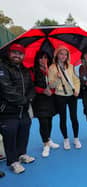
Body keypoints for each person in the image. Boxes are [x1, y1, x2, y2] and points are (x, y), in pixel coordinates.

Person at [0, 43, 35, 174]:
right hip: (7, 111)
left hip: (23, 110)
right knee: (10, 135)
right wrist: (25, 101)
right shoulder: (2, 68)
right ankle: (12, 161)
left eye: (20, 53)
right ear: (9, 54)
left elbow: (31, 87)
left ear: (23, 56)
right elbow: (7, 90)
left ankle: (22, 154)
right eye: (14, 52)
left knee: (24, 132)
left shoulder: (25, 70)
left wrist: (30, 99)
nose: (17, 55)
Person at [48, 45, 81, 150]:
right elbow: (51, 85)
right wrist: (57, 78)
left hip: (71, 96)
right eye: (61, 54)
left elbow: (76, 80)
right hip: (60, 96)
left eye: (65, 54)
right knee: (63, 119)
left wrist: (77, 90)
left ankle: (76, 139)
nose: (63, 56)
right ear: (57, 55)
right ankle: (66, 140)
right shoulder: (52, 68)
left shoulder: (70, 66)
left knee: (74, 118)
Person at [31, 50, 60, 158]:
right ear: (37, 59)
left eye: (45, 58)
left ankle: (48, 139)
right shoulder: (33, 71)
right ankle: (45, 144)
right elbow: (31, 86)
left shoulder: (52, 70)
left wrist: (52, 90)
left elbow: (54, 85)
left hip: (51, 100)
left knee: (49, 120)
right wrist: (42, 91)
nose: (43, 60)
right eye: (41, 58)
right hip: (39, 100)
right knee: (43, 121)